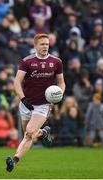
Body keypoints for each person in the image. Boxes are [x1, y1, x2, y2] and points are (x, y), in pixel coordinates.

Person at [6, 33, 66, 172]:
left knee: (28, 133)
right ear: (35, 46)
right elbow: (17, 82)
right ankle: (44, 133)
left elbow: (61, 82)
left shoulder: (57, 62)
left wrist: (59, 95)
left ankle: (14, 160)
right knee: (31, 133)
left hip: (43, 105)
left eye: (47, 44)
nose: (45, 46)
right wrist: (22, 99)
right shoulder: (27, 61)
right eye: (42, 44)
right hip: (26, 103)